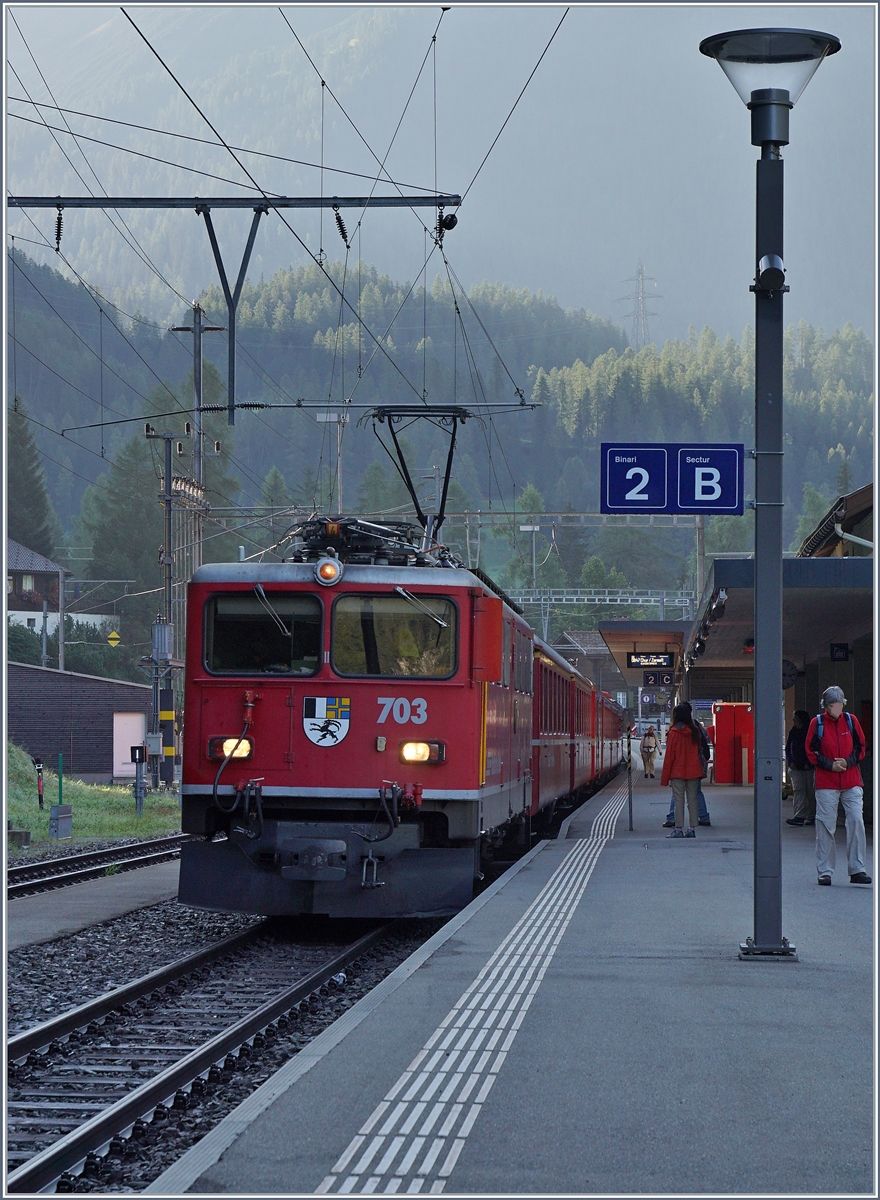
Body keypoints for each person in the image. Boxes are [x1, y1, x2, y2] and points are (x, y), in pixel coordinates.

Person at [805, 686, 870, 886]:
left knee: (856, 820)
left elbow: (861, 746)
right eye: (833, 705)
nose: (837, 709)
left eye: (840, 705)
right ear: (826, 706)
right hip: (826, 781)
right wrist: (829, 764)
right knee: (825, 824)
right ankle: (825, 871)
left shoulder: (851, 721)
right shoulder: (817, 723)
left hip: (851, 780)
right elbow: (810, 750)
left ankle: (857, 868)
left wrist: (848, 762)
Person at [660, 703, 706, 838]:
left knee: (678, 800)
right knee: (692, 799)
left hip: (677, 772)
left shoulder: (674, 733)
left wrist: (665, 778)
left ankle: (678, 829)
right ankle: (692, 829)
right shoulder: (695, 731)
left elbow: (669, 757)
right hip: (694, 771)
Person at [785, 710, 816, 826]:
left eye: (795, 718)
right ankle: (799, 815)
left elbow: (813, 748)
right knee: (799, 791)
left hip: (808, 766)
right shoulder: (793, 732)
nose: (793, 721)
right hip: (796, 767)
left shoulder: (810, 732)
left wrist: (810, 763)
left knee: (810, 792)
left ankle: (811, 815)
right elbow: (788, 748)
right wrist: (790, 762)